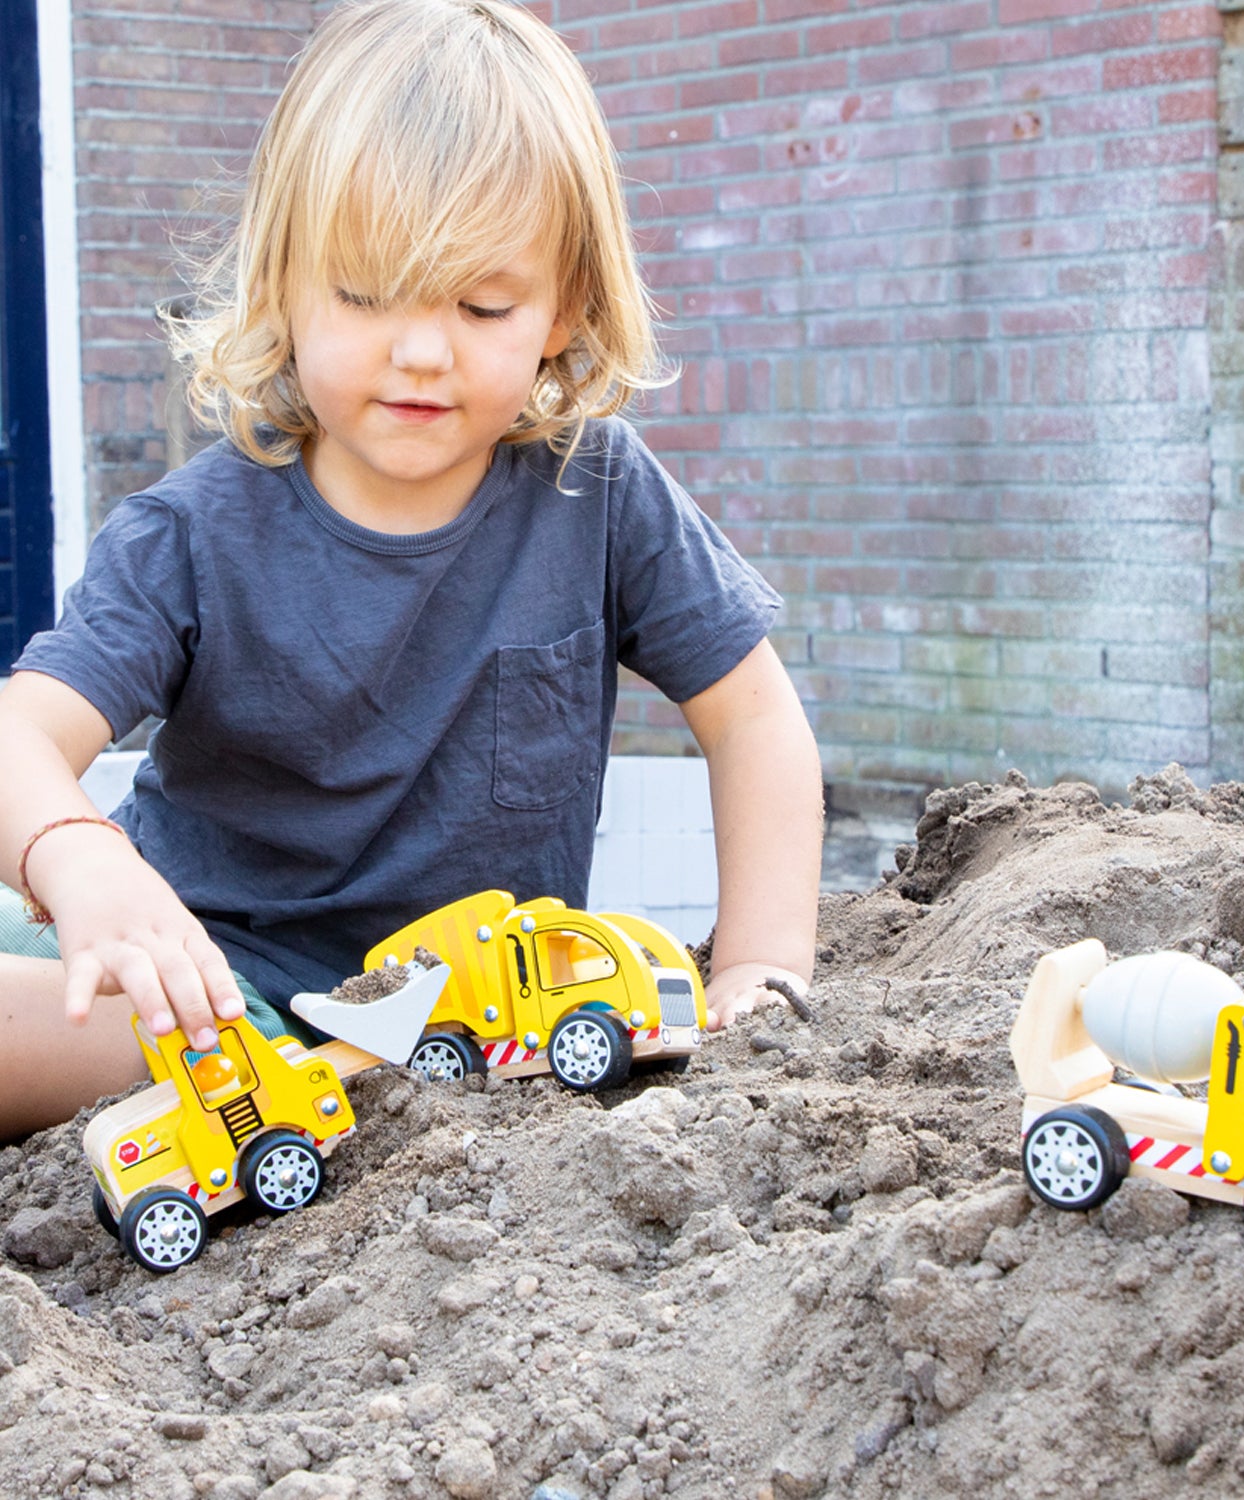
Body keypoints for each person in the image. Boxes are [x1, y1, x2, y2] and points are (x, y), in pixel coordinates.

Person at [0, 0, 822, 1141]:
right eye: (366, 294)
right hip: (192, 974)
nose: (422, 350)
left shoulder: (595, 491)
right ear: (283, 283)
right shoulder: (191, 533)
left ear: (562, 307)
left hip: (453, 1018)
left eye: (483, 304)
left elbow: (754, 719)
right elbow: (19, 736)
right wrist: (78, 861)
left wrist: (764, 966)